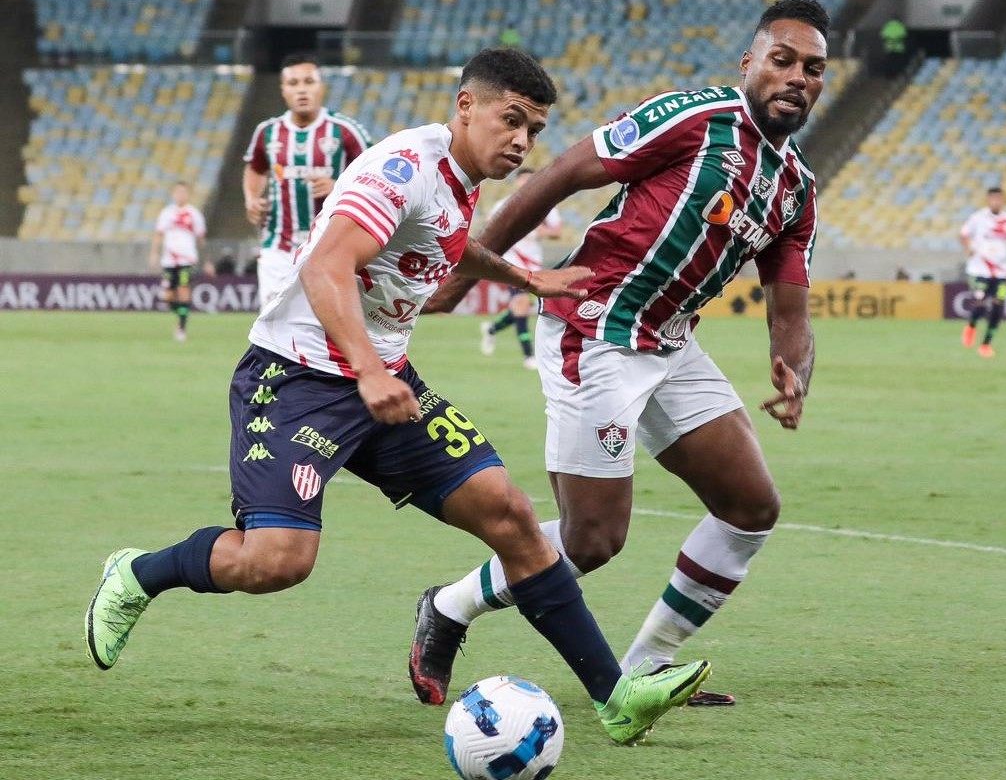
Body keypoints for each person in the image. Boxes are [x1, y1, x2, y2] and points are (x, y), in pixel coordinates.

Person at [85, 48, 710, 747]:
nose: (521, 142)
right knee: (277, 562)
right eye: (512, 121)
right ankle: (137, 572)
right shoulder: (403, 167)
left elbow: (448, 243)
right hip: (296, 378)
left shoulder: (459, 178)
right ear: (465, 106)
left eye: (533, 131)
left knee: (511, 513)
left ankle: (614, 697)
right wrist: (368, 370)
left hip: (382, 379)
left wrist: (528, 280)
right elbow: (327, 265)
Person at [411, 0, 827, 706]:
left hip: (669, 342)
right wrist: (470, 266)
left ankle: (648, 663)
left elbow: (790, 309)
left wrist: (794, 369)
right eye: (781, 59)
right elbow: (563, 173)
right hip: (595, 325)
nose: (796, 76)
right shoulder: (696, 118)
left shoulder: (796, 190)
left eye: (812, 68)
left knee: (750, 506)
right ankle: (448, 607)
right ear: (749, 63)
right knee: (593, 539)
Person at [243, 52, 373, 311]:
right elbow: (255, 168)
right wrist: (251, 199)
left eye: (308, 82)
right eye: (293, 83)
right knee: (272, 326)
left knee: (326, 327)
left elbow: (374, 177)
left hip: (330, 246)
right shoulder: (267, 133)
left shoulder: (346, 130)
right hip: (278, 248)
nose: (301, 90)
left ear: (321, 87)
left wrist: (337, 185)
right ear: (283, 90)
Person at [480, 168, 562, 369]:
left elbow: (557, 233)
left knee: (520, 307)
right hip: (510, 261)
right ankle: (528, 356)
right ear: (516, 183)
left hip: (533, 262)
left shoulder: (546, 206)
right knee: (522, 304)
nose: (526, 184)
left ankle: (492, 328)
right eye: (523, 180)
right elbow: (490, 231)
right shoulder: (504, 205)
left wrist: (541, 231)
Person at [960, 186, 1006, 358]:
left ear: (1003, 201)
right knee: (980, 303)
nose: (996, 202)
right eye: (993, 199)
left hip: (1001, 271)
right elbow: (964, 234)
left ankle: (986, 344)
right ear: (988, 200)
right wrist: (968, 248)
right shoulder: (978, 218)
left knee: (998, 306)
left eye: (999, 199)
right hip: (980, 269)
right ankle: (971, 326)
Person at [149, 181, 209, 341]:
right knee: (167, 296)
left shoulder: (194, 214)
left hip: (187, 259)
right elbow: (158, 235)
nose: (181, 195)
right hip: (169, 260)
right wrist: (154, 253)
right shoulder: (166, 213)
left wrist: (207, 261)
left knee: (183, 290)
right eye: (178, 192)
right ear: (173, 194)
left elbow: (201, 239)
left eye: (184, 192)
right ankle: (182, 314)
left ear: (187, 194)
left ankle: (181, 328)